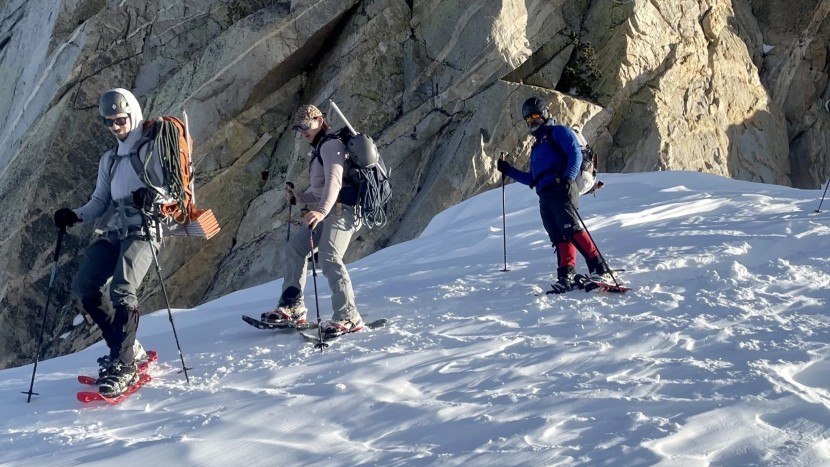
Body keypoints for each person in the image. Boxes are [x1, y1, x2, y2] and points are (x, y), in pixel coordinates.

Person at [53, 88, 162, 396]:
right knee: (85, 285)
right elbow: (100, 201)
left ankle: (125, 364)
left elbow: (171, 188)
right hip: (115, 229)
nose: (115, 126)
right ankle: (125, 348)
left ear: (133, 115)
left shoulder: (152, 148)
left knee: (123, 288)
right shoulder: (110, 159)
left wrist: (152, 195)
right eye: (108, 122)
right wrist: (73, 215)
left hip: (144, 228)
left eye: (120, 119)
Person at [261, 104, 365, 337]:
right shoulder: (320, 148)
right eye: (299, 127)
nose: (303, 130)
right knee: (296, 248)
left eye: (307, 125)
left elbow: (335, 183)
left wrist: (320, 211)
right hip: (329, 210)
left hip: (343, 210)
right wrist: (300, 198)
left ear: (320, 120)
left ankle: (349, 316)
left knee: (329, 256)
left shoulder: (331, 145)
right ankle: (292, 305)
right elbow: (320, 192)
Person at [497, 96, 613, 293]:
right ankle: (565, 274)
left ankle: (600, 268)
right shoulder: (537, 146)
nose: (532, 121)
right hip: (545, 194)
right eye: (528, 118)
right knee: (558, 234)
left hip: (562, 188)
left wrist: (567, 179)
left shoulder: (558, 132)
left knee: (572, 228)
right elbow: (533, 178)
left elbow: (574, 153)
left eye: (535, 115)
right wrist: (508, 170)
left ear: (545, 114)